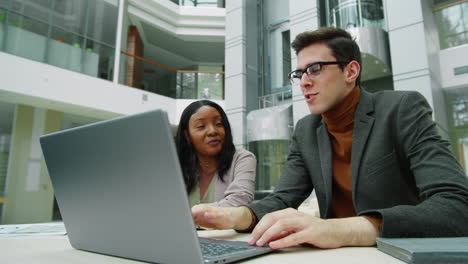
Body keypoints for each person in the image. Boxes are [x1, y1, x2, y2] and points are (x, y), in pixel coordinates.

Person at [192, 27, 468, 250]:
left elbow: (457, 207)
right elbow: (284, 198)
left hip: (394, 254)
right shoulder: (306, 131)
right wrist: (237, 215)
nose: (304, 82)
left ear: (351, 71)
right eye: (299, 73)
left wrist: (344, 228)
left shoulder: (401, 109)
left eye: (315, 69)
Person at [176, 100, 256, 207]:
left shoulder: (242, 158)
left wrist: (187, 216)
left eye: (218, 124)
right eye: (201, 126)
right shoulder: (177, 166)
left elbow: (239, 200)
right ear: (187, 135)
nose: (212, 131)